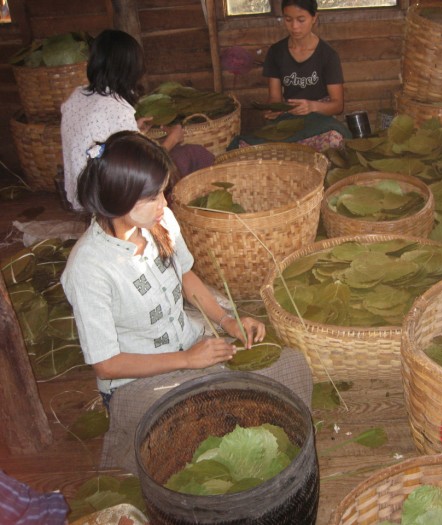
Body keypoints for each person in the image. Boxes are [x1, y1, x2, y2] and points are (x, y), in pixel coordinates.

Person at [61, 131, 313, 475]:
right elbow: (106, 364)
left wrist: (227, 322)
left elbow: (185, 275)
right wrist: (187, 361)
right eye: (153, 196)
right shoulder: (89, 268)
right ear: (118, 199)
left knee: (290, 367)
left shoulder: (158, 221)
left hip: (190, 343)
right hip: (138, 382)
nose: (164, 203)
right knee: (195, 433)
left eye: (163, 191)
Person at [61, 29, 214, 211]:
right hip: (107, 199)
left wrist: (134, 131)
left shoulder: (76, 96)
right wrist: (172, 139)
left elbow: (102, 140)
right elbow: (140, 169)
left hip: (80, 194)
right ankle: (182, 214)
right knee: (193, 153)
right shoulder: (116, 108)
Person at [232, 0, 351, 150]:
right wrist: (274, 110)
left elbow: (337, 105)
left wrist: (311, 106)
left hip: (319, 119)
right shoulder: (276, 52)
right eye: (288, 19)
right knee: (244, 146)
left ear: (314, 18)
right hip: (288, 118)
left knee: (334, 141)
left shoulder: (328, 55)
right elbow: (275, 98)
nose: (294, 26)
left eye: (301, 20)